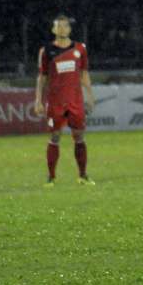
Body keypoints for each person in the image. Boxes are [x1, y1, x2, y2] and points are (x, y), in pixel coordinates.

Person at [35, 14, 95, 187]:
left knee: (79, 136)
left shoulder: (80, 49)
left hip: (75, 101)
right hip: (55, 102)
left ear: (70, 29)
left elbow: (84, 74)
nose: (62, 29)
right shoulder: (46, 50)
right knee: (54, 136)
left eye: (65, 26)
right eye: (58, 26)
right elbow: (42, 77)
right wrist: (38, 100)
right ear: (53, 29)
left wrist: (90, 96)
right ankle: (51, 177)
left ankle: (83, 175)